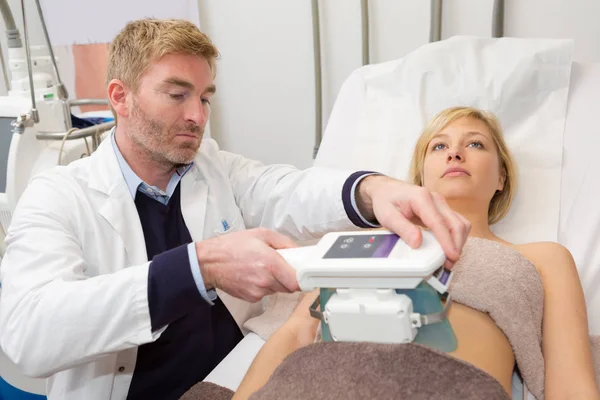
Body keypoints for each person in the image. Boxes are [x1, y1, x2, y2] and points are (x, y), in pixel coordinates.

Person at [0, 19, 470, 400]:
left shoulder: (211, 167)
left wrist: (372, 189)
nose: (197, 116)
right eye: (177, 94)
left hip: (236, 379)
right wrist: (199, 268)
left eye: (204, 98)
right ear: (120, 97)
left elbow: (286, 190)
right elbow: (27, 335)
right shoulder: (58, 195)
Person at [230, 107, 599, 400]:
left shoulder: (544, 258)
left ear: (501, 177)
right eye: (439, 146)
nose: (454, 152)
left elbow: (570, 387)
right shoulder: (369, 241)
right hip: (320, 381)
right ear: (420, 178)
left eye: (475, 144)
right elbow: (296, 334)